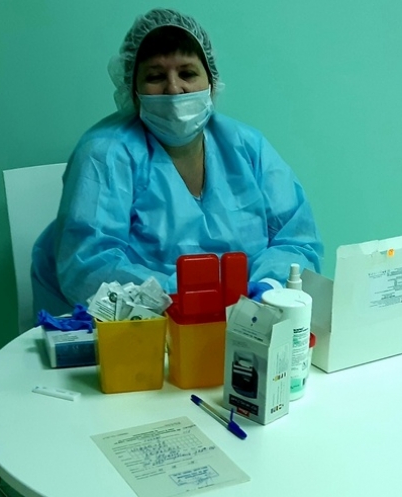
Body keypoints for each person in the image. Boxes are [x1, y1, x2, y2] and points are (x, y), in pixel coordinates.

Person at [31, 8, 323, 317]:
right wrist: (185, 296)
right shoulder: (105, 154)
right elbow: (89, 266)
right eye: (155, 77)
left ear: (212, 82)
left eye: (187, 73)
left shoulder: (247, 147)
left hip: (247, 320)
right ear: (132, 90)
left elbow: (297, 240)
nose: (173, 88)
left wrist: (268, 287)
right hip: (139, 328)